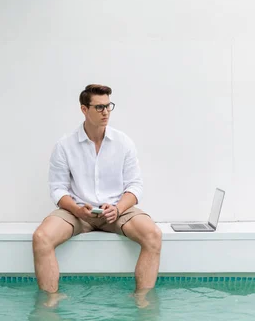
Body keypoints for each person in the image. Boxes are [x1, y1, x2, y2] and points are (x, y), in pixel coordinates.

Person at [32, 84, 162, 307]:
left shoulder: (123, 142)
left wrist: (119, 209)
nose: (106, 112)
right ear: (84, 109)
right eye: (99, 107)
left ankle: (141, 300)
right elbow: (58, 189)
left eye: (109, 106)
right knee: (41, 238)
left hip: (117, 210)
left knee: (153, 235)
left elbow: (135, 186)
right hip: (78, 212)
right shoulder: (65, 145)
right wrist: (76, 209)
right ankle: (51, 301)